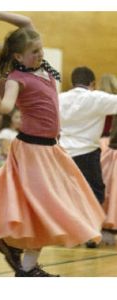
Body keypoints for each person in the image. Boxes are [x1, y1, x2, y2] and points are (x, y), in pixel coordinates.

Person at [0, 12, 105, 277]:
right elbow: (5, 105)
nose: (39, 54)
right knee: (42, 209)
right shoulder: (17, 78)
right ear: (18, 56)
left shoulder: (42, 67)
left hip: (51, 150)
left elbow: (25, 23)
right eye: (33, 52)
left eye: (40, 50)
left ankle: (19, 258)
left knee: (49, 206)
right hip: (31, 150)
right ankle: (25, 266)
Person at [59, 67, 117, 248]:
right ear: (92, 84)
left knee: (68, 194)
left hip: (63, 153)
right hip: (88, 154)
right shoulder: (97, 97)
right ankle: (89, 233)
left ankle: (71, 232)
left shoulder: (59, 98)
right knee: (95, 194)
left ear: (72, 83)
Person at [99, 74, 117, 245]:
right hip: (111, 144)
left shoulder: (98, 101)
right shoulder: (112, 102)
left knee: (101, 187)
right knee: (112, 189)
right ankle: (109, 228)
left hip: (100, 144)